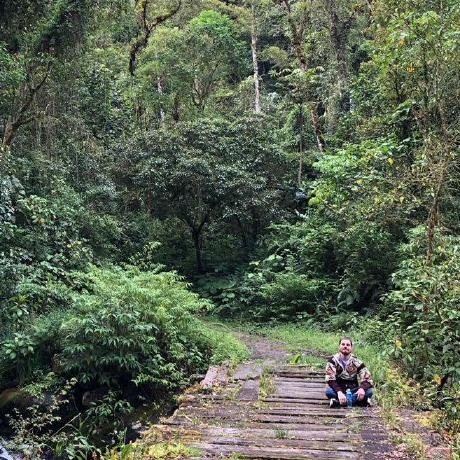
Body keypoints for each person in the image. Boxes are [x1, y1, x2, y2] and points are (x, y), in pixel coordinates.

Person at [325, 336, 373, 408]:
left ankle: (338, 402)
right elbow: (330, 379)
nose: (345, 346)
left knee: (369, 391)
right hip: (338, 389)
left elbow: (367, 378)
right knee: (329, 392)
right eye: (343, 344)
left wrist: (362, 389)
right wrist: (339, 392)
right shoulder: (333, 360)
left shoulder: (357, 362)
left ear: (351, 347)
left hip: (353, 390)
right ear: (339, 346)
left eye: (348, 345)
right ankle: (359, 402)